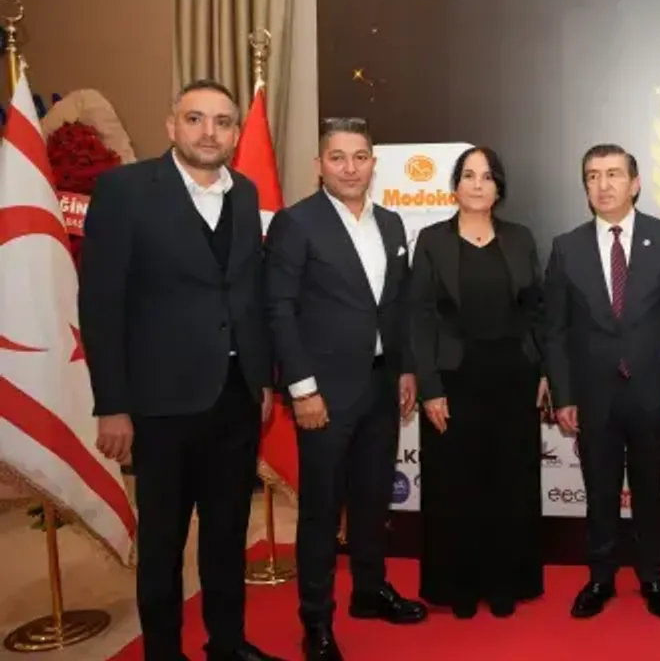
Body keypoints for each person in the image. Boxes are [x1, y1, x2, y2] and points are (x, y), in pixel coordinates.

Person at [79, 79, 281, 661]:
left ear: (236, 134)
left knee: (227, 535)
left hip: (236, 399)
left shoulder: (245, 193)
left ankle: (227, 645)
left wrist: (262, 378)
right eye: (195, 119)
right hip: (159, 405)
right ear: (172, 126)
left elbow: (247, 295)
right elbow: (101, 304)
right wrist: (112, 404)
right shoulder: (124, 191)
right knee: (163, 544)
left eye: (222, 121)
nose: (208, 132)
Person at [263, 118, 427, 660]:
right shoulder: (296, 223)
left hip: (381, 385)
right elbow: (279, 309)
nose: (350, 168)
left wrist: (405, 369)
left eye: (360, 157)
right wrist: (302, 389)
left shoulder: (391, 223)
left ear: (373, 163)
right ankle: (316, 620)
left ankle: (369, 591)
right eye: (338, 157)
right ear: (320, 165)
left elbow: (396, 307)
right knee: (321, 510)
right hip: (324, 393)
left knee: (373, 497)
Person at [543, 144, 660, 620]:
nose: (603, 184)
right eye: (592, 176)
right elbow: (555, 330)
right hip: (594, 396)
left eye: (613, 174)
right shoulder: (566, 247)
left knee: (650, 490)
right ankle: (600, 577)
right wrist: (564, 395)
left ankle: (652, 576)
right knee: (600, 492)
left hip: (653, 391)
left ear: (635, 183)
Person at [410, 146, 550, 619]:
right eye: (468, 175)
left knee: (510, 485)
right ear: (455, 186)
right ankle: (460, 587)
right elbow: (419, 318)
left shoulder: (520, 238)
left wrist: (544, 370)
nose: (477, 184)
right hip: (453, 382)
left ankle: (506, 583)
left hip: (513, 380)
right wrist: (430, 387)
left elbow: (536, 312)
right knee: (457, 487)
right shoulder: (432, 241)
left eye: (487, 176)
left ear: (498, 187)